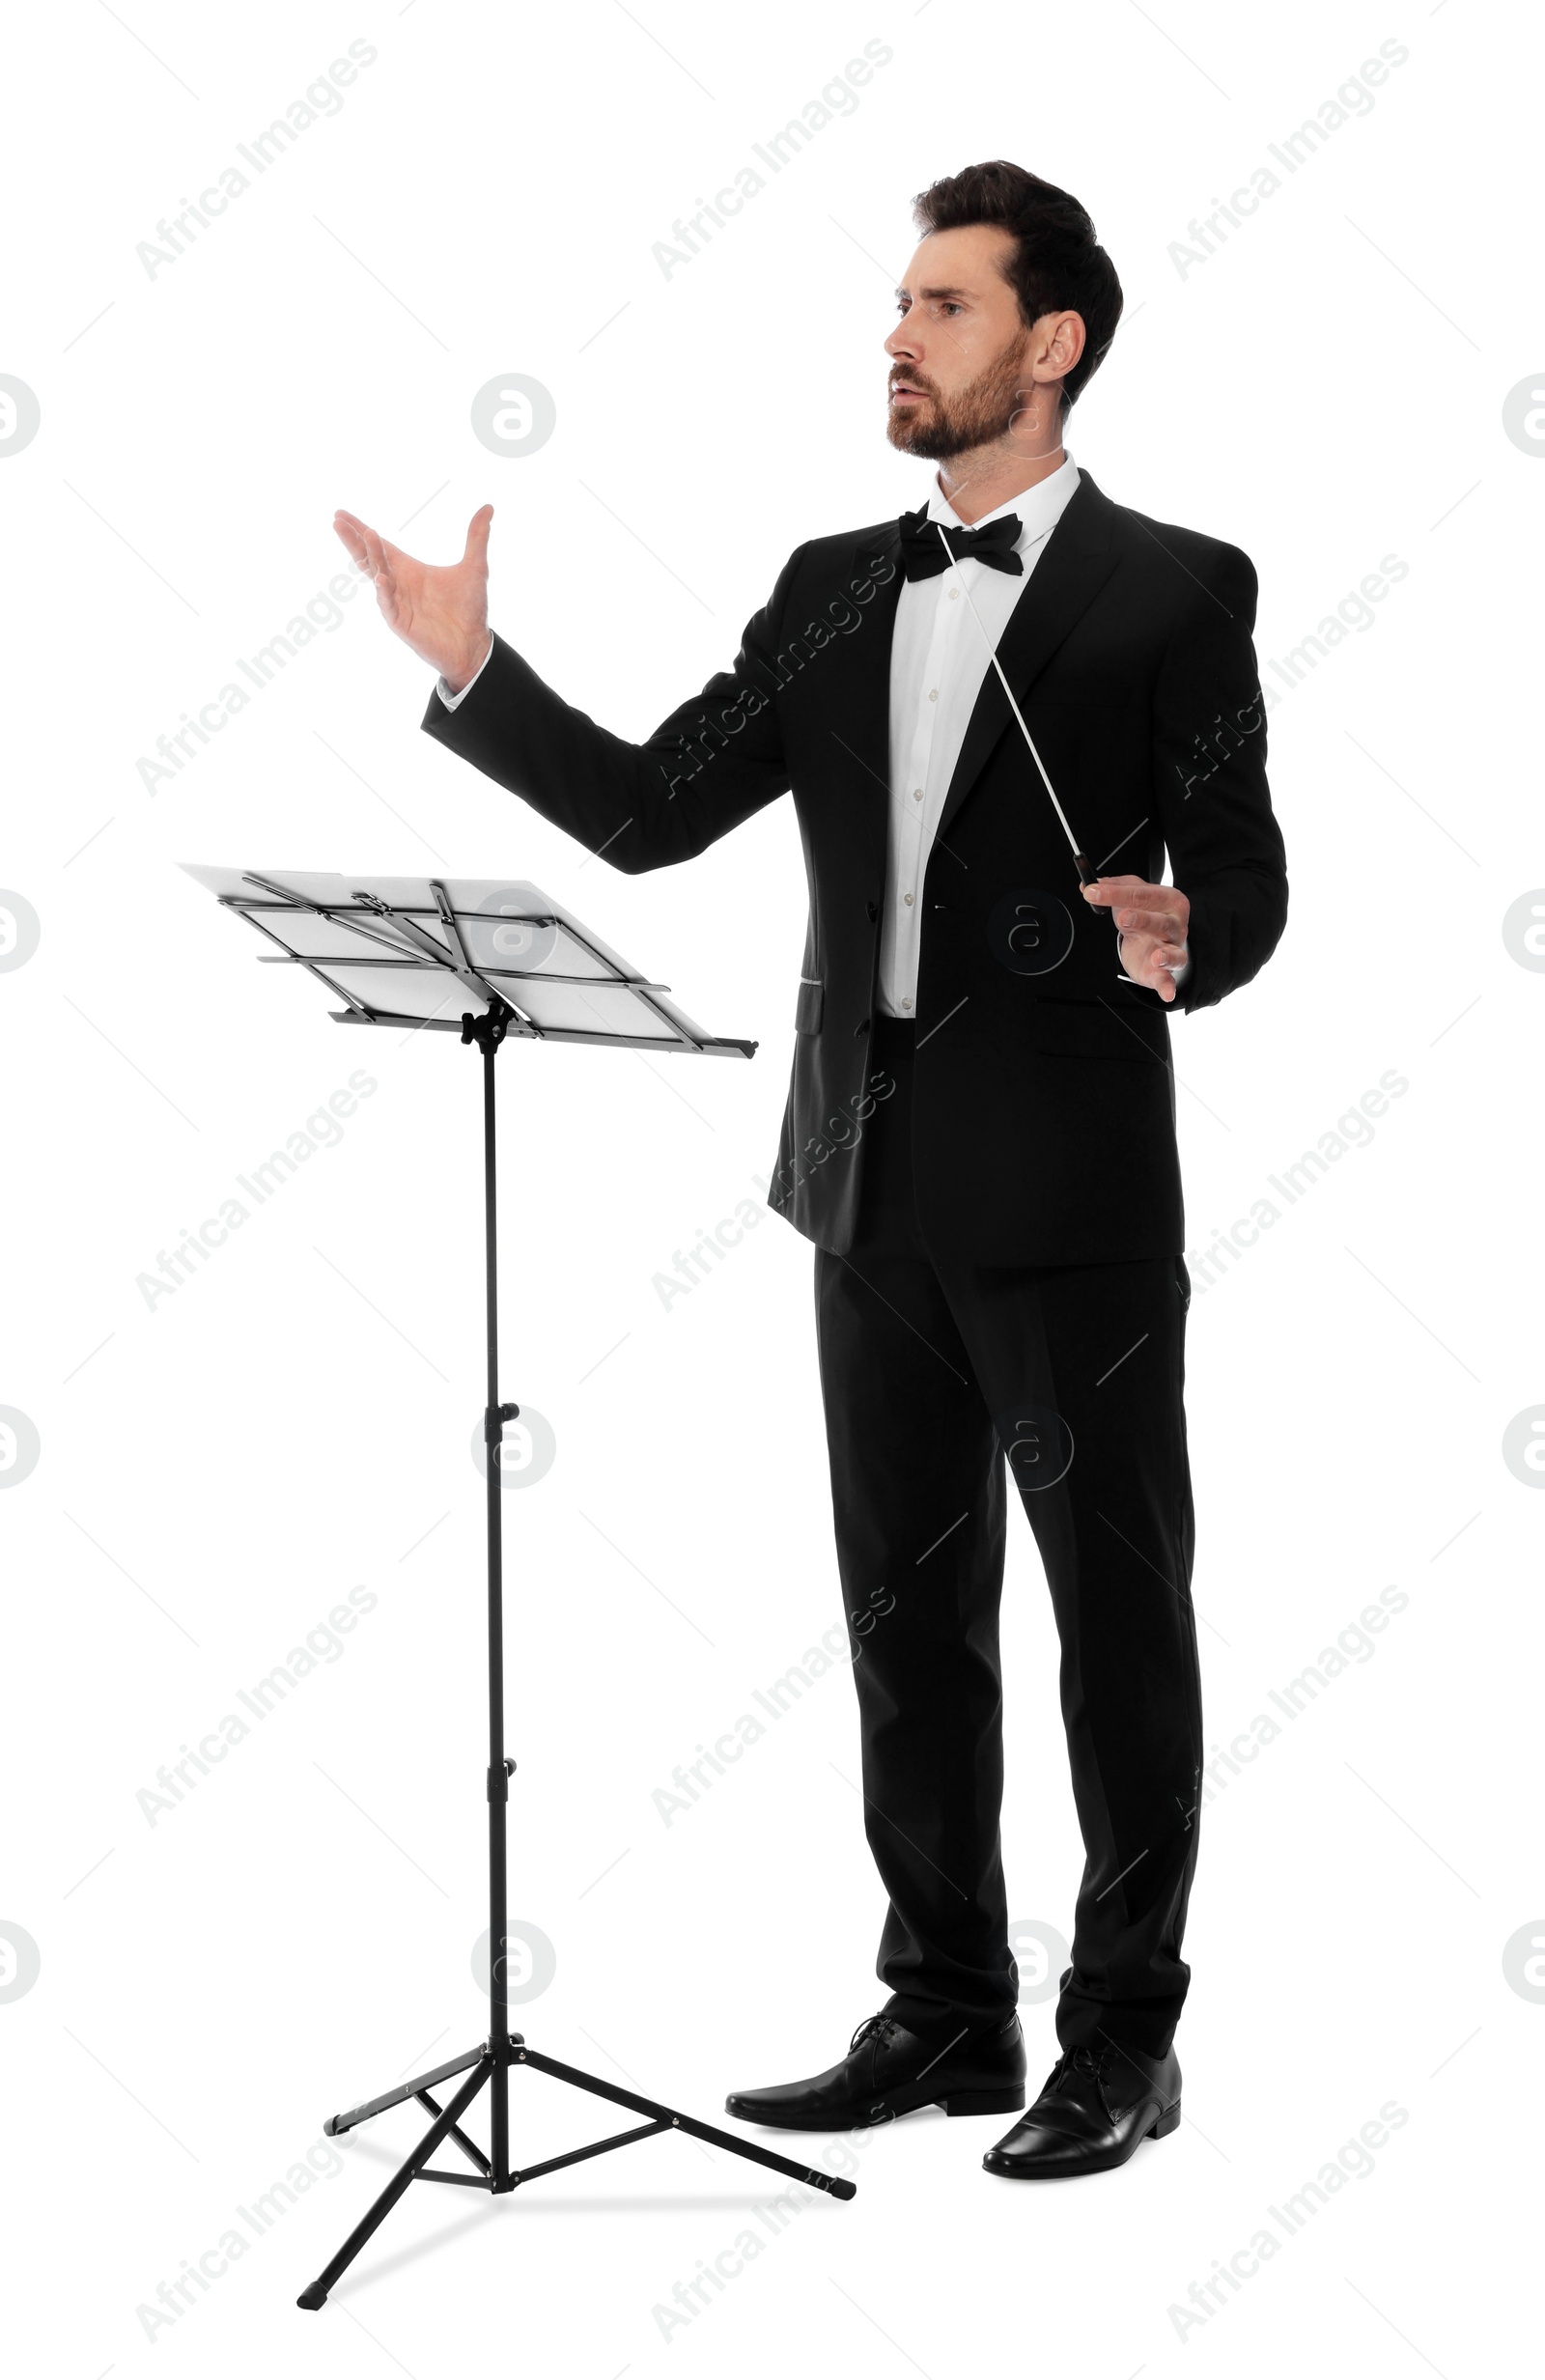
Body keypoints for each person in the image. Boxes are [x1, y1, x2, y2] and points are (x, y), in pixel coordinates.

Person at [334, 159, 1287, 2182]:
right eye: (897, 304)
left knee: (1117, 1626)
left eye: (940, 306)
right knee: (900, 1615)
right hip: (862, 1188)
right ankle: (945, 2011)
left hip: (1077, 1211)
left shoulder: (1179, 587)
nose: (895, 336)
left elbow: (1252, 877)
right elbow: (654, 811)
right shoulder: (827, 583)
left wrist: (1187, 934)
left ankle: (1123, 2038)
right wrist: (471, 673)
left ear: (1052, 343)